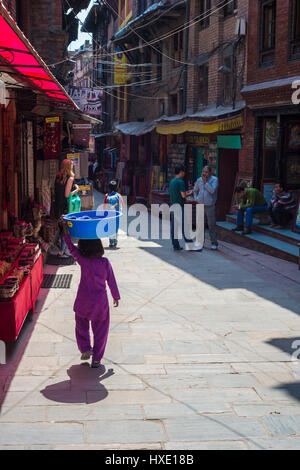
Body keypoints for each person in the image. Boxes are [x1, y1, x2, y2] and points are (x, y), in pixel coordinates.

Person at [61, 219, 120, 368]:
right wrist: (115, 296)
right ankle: (97, 359)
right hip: (100, 304)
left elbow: (70, 247)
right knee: (101, 330)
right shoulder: (105, 262)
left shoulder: (82, 260)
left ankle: (86, 348)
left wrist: (65, 231)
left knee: (81, 325)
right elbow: (111, 280)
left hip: (83, 301)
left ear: (83, 248)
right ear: (99, 246)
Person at [169, 164, 200, 251]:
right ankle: (190, 245)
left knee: (174, 227)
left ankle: (175, 245)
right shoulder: (180, 182)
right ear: (181, 172)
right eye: (184, 172)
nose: (184, 173)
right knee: (184, 226)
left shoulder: (172, 181)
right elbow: (183, 195)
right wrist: (189, 193)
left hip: (173, 206)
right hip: (179, 206)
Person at [54, 159, 79, 258]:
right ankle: (62, 252)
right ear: (69, 167)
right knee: (65, 230)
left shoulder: (58, 177)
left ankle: (64, 250)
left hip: (57, 206)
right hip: (65, 207)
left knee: (62, 229)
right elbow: (67, 195)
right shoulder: (70, 179)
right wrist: (76, 189)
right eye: (71, 165)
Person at [193, 166, 219, 250]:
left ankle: (214, 243)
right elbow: (195, 190)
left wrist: (205, 183)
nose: (204, 174)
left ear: (210, 173)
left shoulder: (214, 180)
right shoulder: (199, 180)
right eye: (203, 171)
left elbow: (212, 191)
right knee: (200, 225)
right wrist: (196, 198)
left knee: (211, 225)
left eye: (206, 172)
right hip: (200, 204)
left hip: (210, 205)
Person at [104, 180, 125, 248]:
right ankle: (115, 240)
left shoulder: (106, 195)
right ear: (116, 188)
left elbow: (104, 206)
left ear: (109, 188)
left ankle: (111, 242)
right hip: (116, 215)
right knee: (116, 227)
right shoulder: (118, 195)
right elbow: (122, 205)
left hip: (109, 214)